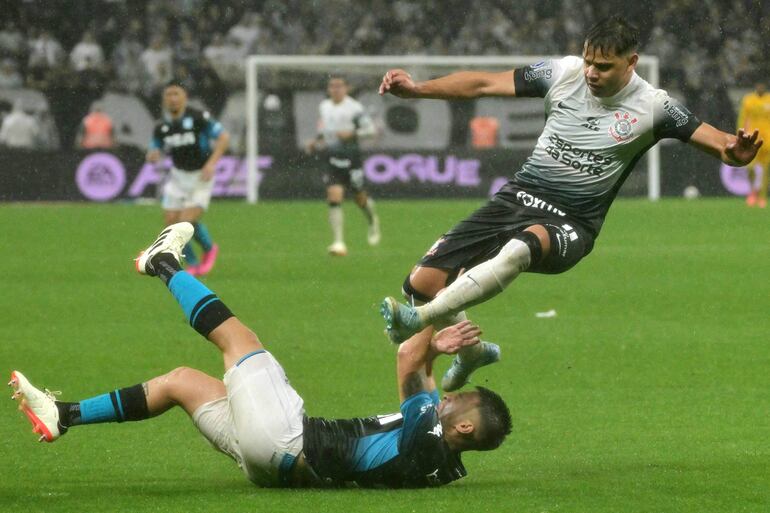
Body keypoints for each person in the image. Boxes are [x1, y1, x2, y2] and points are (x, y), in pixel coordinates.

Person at [376, 16, 764, 391]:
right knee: (421, 283)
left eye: (604, 66)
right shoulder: (562, 73)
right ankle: (473, 352)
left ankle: (418, 319)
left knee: (522, 246)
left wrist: (736, 151)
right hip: (516, 198)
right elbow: (482, 84)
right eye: (589, 62)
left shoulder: (654, 106)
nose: (592, 73)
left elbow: (719, 143)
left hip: (572, 222)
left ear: (631, 63)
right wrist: (417, 89)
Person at [10, 222, 511, 489]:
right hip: (275, 467)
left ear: (463, 428)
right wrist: (434, 345)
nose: (450, 398)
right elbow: (419, 373)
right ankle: (63, 415)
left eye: (458, 402)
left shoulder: (429, 434)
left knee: (238, 340)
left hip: (289, 438)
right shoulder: (442, 461)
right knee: (181, 381)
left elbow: (406, 358)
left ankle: (160, 262)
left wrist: (440, 305)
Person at [146, 81, 229, 276]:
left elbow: (224, 137)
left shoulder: (198, 117)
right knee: (171, 224)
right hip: (177, 178)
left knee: (184, 222)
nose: (173, 98)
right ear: (164, 99)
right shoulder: (162, 126)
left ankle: (209, 249)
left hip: (200, 176)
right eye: (169, 94)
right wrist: (152, 154)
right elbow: (153, 147)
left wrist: (211, 164)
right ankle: (192, 263)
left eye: (176, 94)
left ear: (185, 97)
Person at [306, 75, 381, 256]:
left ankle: (372, 220)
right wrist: (315, 141)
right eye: (332, 86)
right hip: (332, 157)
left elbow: (370, 130)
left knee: (359, 197)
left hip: (351, 157)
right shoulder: (324, 106)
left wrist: (352, 133)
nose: (335, 89)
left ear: (346, 88)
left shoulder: (354, 108)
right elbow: (325, 130)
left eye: (339, 86)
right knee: (334, 194)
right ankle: (338, 242)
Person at [737, 82, 770, 208]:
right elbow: (743, 117)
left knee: (766, 169)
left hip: (767, 139)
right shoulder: (748, 100)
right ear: (756, 86)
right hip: (752, 138)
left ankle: (762, 197)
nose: (760, 87)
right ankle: (752, 192)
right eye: (758, 85)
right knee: (750, 167)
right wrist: (741, 135)